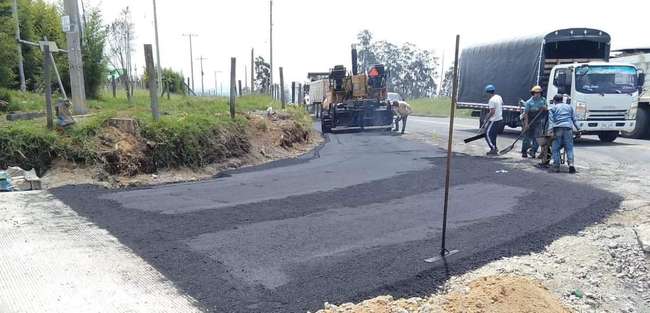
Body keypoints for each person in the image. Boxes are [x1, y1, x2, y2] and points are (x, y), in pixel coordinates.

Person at [548, 94, 579, 173]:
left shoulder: (553, 108)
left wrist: (550, 131)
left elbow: (551, 121)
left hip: (557, 129)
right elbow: (574, 119)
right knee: (569, 148)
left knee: (555, 148)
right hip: (568, 129)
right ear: (562, 100)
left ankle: (556, 166)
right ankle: (571, 164)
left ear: (554, 101)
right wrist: (579, 129)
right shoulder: (569, 107)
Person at [521, 86, 547, 158]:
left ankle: (533, 151)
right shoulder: (529, 102)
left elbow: (546, 108)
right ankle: (524, 151)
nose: (538, 94)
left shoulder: (543, 100)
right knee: (527, 137)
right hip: (529, 120)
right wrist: (526, 124)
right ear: (533, 93)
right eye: (536, 93)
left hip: (538, 121)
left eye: (539, 93)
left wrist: (544, 108)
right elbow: (526, 114)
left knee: (537, 137)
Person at [483, 84, 503, 156]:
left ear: (488, 93)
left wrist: (486, 118)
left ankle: (493, 148)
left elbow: (492, 112)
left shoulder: (491, 100)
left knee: (486, 134)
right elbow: (501, 104)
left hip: (494, 120)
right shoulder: (498, 97)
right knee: (493, 135)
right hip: (500, 119)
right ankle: (494, 148)